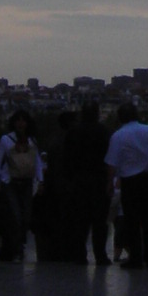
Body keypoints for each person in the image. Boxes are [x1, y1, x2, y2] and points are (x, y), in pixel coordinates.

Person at [104, 102, 148, 268]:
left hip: (130, 180)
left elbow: (111, 163)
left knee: (132, 221)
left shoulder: (118, 135)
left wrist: (110, 183)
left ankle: (136, 258)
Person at [57, 100, 111, 265]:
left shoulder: (73, 132)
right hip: (99, 180)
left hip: (79, 180)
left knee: (80, 221)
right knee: (99, 222)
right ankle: (100, 254)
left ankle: (80, 254)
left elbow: (66, 159)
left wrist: (68, 179)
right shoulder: (105, 132)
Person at [0, 112, 43, 264]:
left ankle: (19, 245)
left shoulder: (32, 141)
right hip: (11, 182)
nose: (21, 124)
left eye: (23, 121)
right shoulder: (6, 140)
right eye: (18, 121)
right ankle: (17, 249)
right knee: (16, 216)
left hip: (26, 182)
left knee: (25, 216)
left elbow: (37, 161)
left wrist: (41, 180)